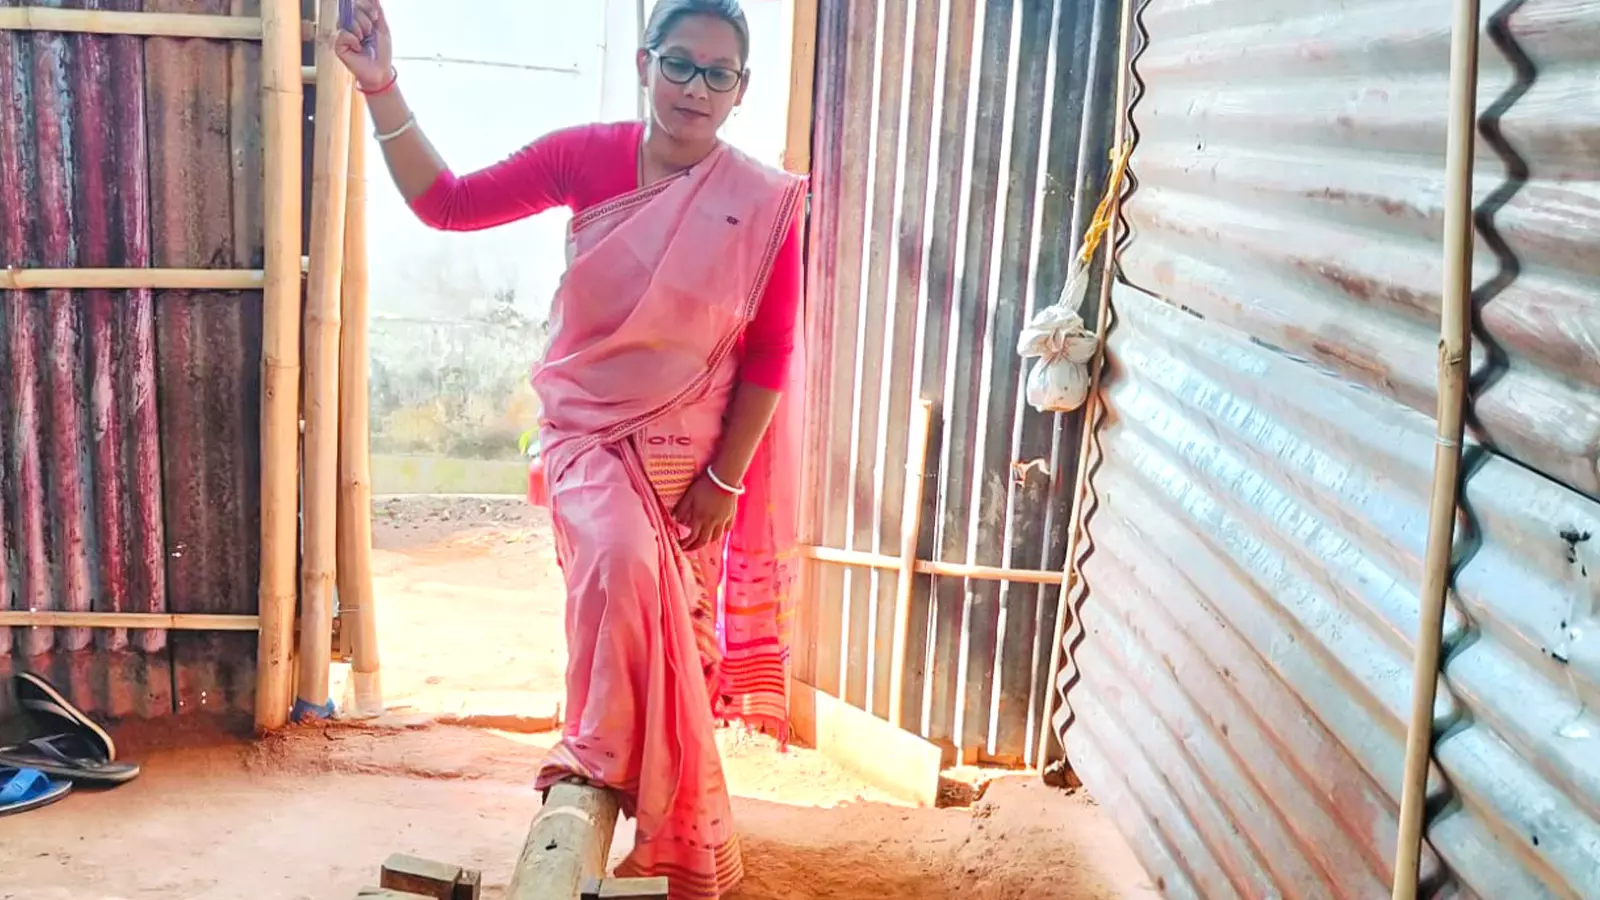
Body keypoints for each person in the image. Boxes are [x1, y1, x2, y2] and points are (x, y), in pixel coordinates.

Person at [334, 1, 802, 896]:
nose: (696, 88)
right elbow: (448, 203)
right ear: (643, 62)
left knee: (673, 637)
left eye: (719, 73)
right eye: (680, 64)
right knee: (621, 564)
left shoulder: (765, 204)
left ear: (741, 90)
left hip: (694, 463)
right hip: (589, 432)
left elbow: (771, 352)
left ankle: (646, 806)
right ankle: (597, 759)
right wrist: (382, 85)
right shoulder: (587, 154)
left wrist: (724, 480)